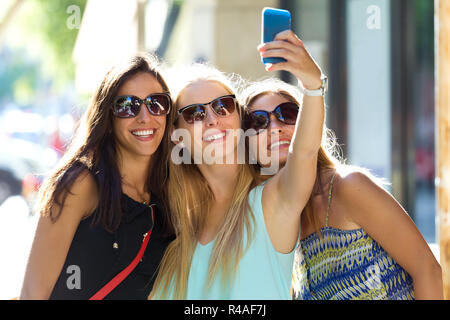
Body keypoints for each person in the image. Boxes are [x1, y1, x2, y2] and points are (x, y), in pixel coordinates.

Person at [150, 30, 325, 299]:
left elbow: (303, 153)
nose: (212, 119)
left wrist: (313, 85)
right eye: (194, 113)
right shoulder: (178, 232)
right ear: (176, 136)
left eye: (223, 106)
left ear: (238, 119)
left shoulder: (271, 201)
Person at [241, 73, 443, 299]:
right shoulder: (275, 223)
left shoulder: (348, 186)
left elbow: (428, 271)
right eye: (258, 121)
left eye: (287, 114)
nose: (275, 127)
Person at [20, 53, 176, 300]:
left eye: (156, 103)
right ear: (108, 116)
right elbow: (32, 294)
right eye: (128, 106)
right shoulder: (80, 184)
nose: (145, 116)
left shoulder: (171, 194)